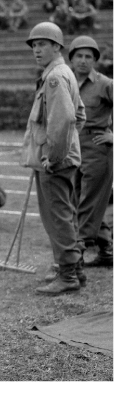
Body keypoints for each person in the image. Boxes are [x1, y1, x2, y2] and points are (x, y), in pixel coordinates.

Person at [20, 23, 86, 294]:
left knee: (57, 218)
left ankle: (68, 274)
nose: (36, 49)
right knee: (65, 215)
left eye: (42, 44)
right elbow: (79, 115)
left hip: (55, 162)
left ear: (57, 46)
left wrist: (55, 155)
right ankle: (75, 269)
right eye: (34, 45)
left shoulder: (54, 77)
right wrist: (66, 146)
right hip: (60, 158)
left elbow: (67, 119)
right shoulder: (63, 72)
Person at [69, 36, 113, 268]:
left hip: (98, 149)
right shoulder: (67, 82)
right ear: (72, 59)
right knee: (79, 200)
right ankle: (107, 250)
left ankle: (75, 256)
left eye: (89, 57)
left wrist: (113, 136)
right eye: (79, 56)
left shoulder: (105, 84)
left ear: (95, 60)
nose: (84, 61)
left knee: (88, 201)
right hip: (75, 148)